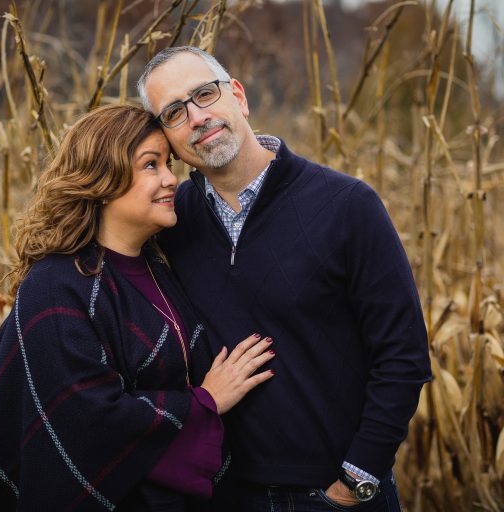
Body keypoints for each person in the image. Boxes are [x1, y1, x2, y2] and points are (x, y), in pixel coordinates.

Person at [137, 46, 432, 511]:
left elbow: (404, 355)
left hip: (335, 494)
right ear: (167, 139)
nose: (196, 117)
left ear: (238, 96)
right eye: (174, 112)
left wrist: (355, 481)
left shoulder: (347, 206)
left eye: (205, 95)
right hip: (227, 495)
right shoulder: (172, 225)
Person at [0, 104, 276, 511]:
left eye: (168, 163)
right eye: (150, 165)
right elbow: (86, 421)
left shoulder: (160, 267)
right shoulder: (55, 286)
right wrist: (206, 401)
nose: (172, 179)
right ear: (102, 179)